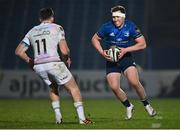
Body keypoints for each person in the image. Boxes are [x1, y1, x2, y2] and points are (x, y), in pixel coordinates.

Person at [15, 7, 92, 124]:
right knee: (74, 88)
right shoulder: (57, 28)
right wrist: (67, 59)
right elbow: (64, 50)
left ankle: (58, 116)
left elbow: (19, 51)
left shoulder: (32, 31)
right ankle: (82, 119)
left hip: (39, 66)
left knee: (53, 87)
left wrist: (29, 61)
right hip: (53, 63)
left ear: (40, 18)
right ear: (52, 17)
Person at [91, 5, 156, 120]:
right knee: (114, 87)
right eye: (113, 17)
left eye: (117, 17)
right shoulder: (107, 27)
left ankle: (147, 105)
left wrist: (125, 50)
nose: (115, 19)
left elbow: (143, 44)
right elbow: (94, 39)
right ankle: (129, 106)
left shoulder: (131, 26)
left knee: (134, 82)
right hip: (111, 60)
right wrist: (102, 52)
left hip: (126, 58)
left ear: (123, 17)